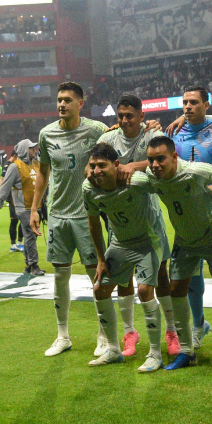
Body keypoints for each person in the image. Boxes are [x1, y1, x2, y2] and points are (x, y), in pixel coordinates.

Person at [142, 136, 212, 373]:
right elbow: (134, 174)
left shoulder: (194, 170)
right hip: (184, 241)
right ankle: (187, 351)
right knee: (176, 291)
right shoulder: (151, 175)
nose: (155, 165)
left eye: (161, 159)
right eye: (151, 160)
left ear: (174, 157)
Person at [32, 81, 110, 357]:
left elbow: (118, 146)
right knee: (60, 276)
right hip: (57, 215)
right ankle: (62, 335)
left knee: (96, 276)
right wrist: (34, 208)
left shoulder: (97, 130)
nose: (61, 104)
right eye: (59, 100)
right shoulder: (46, 134)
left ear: (80, 103)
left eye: (67, 100)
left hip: (86, 214)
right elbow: (43, 172)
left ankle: (103, 334)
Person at [99, 94, 179, 358]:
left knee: (161, 277)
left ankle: (171, 331)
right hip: (119, 222)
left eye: (129, 116)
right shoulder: (108, 139)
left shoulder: (149, 136)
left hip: (149, 220)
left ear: (141, 116)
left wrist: (135, 164)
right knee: (123, 279)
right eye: (120, 116)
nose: (124, 121)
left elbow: (165, 158)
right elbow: (96, 162)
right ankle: (129, 332)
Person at [83, 143, 171, 372]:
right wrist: (101, 260)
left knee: (144, 291)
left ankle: (155, 353)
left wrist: (135, 166)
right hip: (119, 243)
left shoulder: (136, 182)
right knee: (100, 288)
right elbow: (93, 224)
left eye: (102, 165)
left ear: (116, 165)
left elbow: (163, 175)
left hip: (147, 242)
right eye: (92, 166)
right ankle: (113, 349)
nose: (96, 171)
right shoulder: (89, 188)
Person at [166, 85, 212, 352]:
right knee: (191, 274)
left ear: (207, 105)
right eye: (184, 103)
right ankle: (198, 325)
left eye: (194, 103)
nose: (187, 107)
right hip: (188, 212)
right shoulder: (173, 131)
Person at [0, 140, 44, 276]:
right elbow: (6, 185)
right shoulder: (15, 167)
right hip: (23, 207)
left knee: (30, 236)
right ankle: (33, 265)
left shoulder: (36, 164)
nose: (34, 150)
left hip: (36, 207)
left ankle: (28, 264)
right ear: (24, 150)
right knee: (31, 236)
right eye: (31, 148)